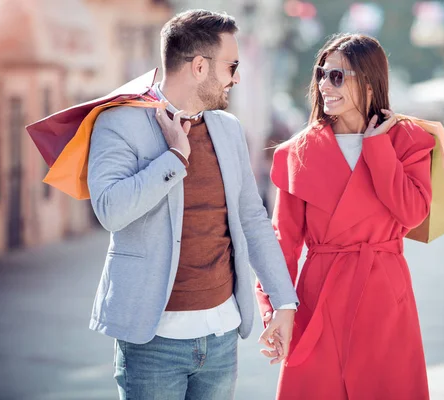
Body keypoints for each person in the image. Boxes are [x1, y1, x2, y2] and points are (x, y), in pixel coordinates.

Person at [87, 9, 298, 400]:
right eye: (231, 66)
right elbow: (110, 211)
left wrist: (284, 301)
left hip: (220, 338)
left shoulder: (228, 128)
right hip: (152, 341)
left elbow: (253, 220)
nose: (237, 77)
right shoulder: (118, 121)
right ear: (200, 66)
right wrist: (174, 159)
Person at [256, 33, 435, 399]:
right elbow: (282, 243)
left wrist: (377, 147)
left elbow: (413, 213)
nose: (325, 84)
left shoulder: (407, 141)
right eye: (322, 73)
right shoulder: (298, 152)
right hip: (319, 299)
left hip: (384, 296)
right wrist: (277, 309)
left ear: (369, 82)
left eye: (338, 76)